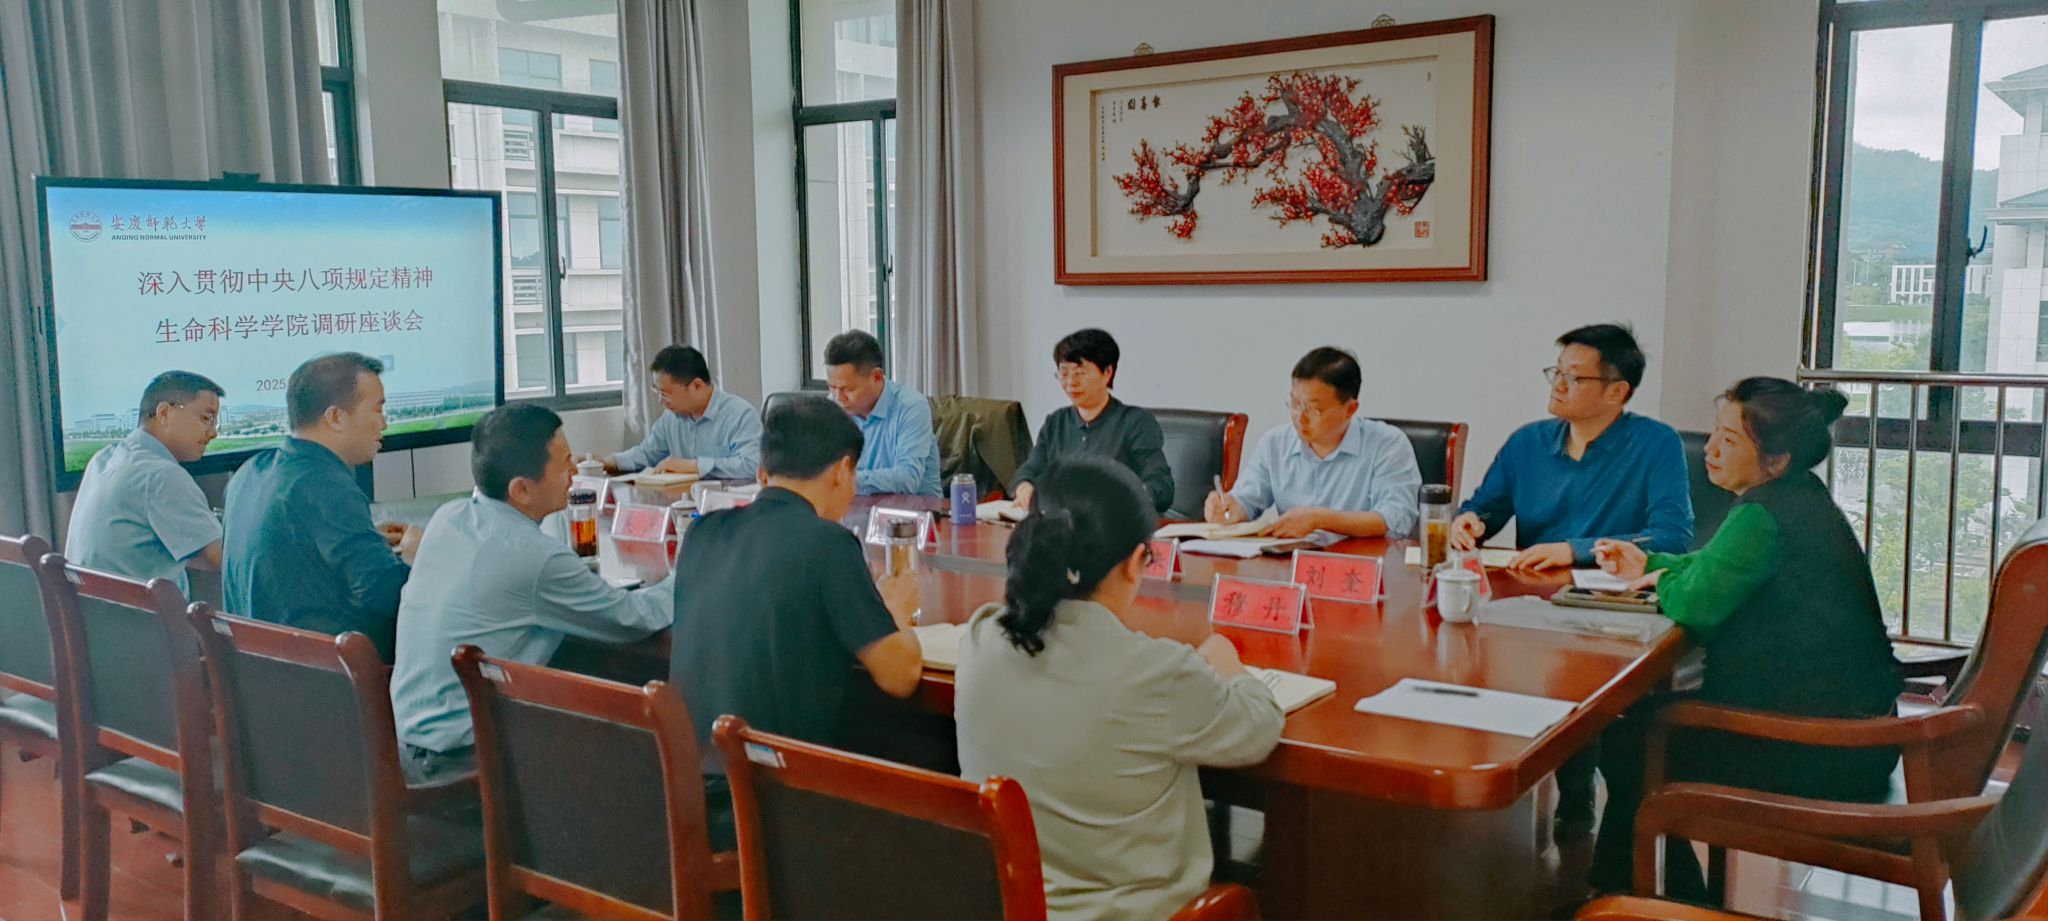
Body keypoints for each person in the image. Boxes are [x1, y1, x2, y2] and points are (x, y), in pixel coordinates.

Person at [1586, 378, 1902, 897]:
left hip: (1818, 750)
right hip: (1855, 732)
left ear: (1776, 460)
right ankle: (1667, 893)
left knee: (1629, 742)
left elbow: (1696, 605)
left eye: (1729, 440)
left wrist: (1662, 581)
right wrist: (1652, 563)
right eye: (1715, 432)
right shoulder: (1796, 496)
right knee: (1639, 731)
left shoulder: (1761, 514)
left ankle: (1627, 898)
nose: (1710, 449)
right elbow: (1718, 568)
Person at [955, 456, 1284, 921]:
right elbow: (1259, 728)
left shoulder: (981, 637)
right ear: (1134, 563)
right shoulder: (1155, 672)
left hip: (1007, 907)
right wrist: (1227, 664)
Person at [1448, 323, 1693, 839]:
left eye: (1574, 377)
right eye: (1555, 373)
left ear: (1617, 392)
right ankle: (1564, 780)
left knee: (1588, 685)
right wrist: (1468, 522)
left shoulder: (1656, 444)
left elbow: (1671, 536)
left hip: (1613, 609)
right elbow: (1484, 507)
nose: (1558, 385)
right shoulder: (1528, 443)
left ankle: (1598, 795)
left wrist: (1574, 549)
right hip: (1532, 610)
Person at [669, 394, 923, 846]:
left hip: (690, 794)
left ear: (763, 471)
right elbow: (900, 676)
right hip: (773, 805)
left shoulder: (702, 532)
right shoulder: (827, 543)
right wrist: (897, 610)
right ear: (843, 470)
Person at [391, 404, 674, 783]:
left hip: (409, 744)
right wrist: (689, 571)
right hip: (464, 755)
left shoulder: (449, 517)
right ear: (521, 489)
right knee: (642, 736)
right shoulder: (534, 556)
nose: (574, 474)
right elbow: (635, 619)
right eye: (565, 465)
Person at [224, 353, 420, 659]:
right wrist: (416, 555)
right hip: (330, 675)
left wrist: (367, 538)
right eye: (377, 409)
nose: (384, 423)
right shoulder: (323, 483)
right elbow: (390, 596)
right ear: (336, 417)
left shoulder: (251, 471)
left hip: (260, 670)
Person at [1203, 347, 1423, 539]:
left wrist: (1320, 519)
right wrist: (1228, 509)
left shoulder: (1387, 445)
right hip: (1290, 565)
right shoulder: (1275, 443)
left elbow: (1396, 518)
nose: (1300, 417)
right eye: (1294, 404)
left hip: (1360, 565)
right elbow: (1246, 501)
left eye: (1313, 409)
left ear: (1350, 409)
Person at [64, 371, 226, 595]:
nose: (213, 433)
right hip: (143, 616)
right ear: (165, 413)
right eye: (206, 418)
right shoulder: (160, 476)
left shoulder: (104, 458)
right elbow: (224, 560)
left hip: (97, 611)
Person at [1009, 328, 1175, 514]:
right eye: (1064, 373)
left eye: (1080, 373)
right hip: (1062, 523)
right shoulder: (1055, 423)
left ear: (1107, 372)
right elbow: (1030, 470)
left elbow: (1161, 487)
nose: (1071, 382)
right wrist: (1024, 486)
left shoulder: (1135, 423)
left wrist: (1124, 499)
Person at [603, 345, 762, 480]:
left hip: (724, 502)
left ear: (697, 386)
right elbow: (648, 453)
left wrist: (694, 466)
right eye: (658, 392)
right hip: (679, 499)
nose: (661, 401)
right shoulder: (671, 417)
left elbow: (752, 465)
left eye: (666, 394)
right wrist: (610, 462)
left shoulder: (740, 415)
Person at [821, 330, 942, 496]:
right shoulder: (832, 407)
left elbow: (907, 479)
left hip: (914, 509)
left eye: (848, 389)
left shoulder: (911, 407)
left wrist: (842, 480)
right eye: (832, 387)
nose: (838, 397)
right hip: (853, 507)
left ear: (877, 377)